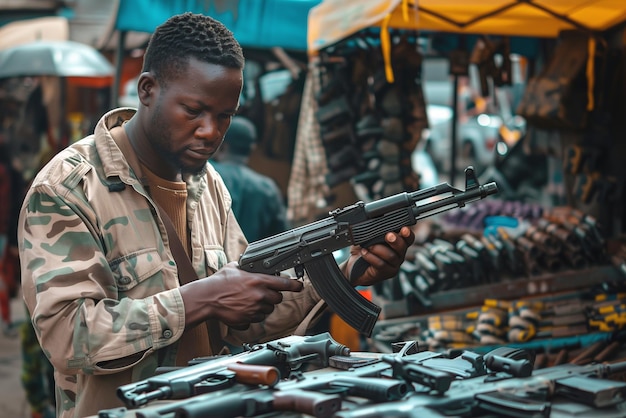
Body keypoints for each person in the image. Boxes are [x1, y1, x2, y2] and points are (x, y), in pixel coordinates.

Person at [18, 12, 414, 418]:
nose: (210, 131)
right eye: (193, 110)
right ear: (148, 89)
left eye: (224, 116)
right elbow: (68, 339)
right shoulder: (68, 189)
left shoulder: (207, 184)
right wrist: (200, 298)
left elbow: (242, 318)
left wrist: (346, 273)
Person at [210, 115, 289, 242]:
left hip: (212, 260)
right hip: (253, 260)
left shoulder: (206, 175)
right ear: (252, 149)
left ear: (222, 144)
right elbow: (282, 237)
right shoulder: (268, 188)